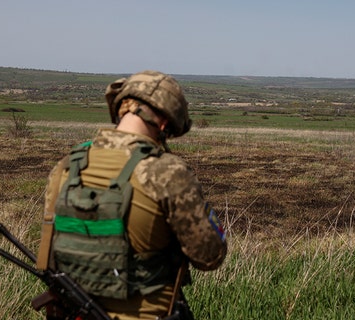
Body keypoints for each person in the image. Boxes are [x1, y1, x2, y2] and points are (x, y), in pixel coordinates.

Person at [37, 70, 227, 320]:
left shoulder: (67, 166)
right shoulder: (166, 172)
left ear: (120, 110)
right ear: (163, 124)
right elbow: (210, 256)